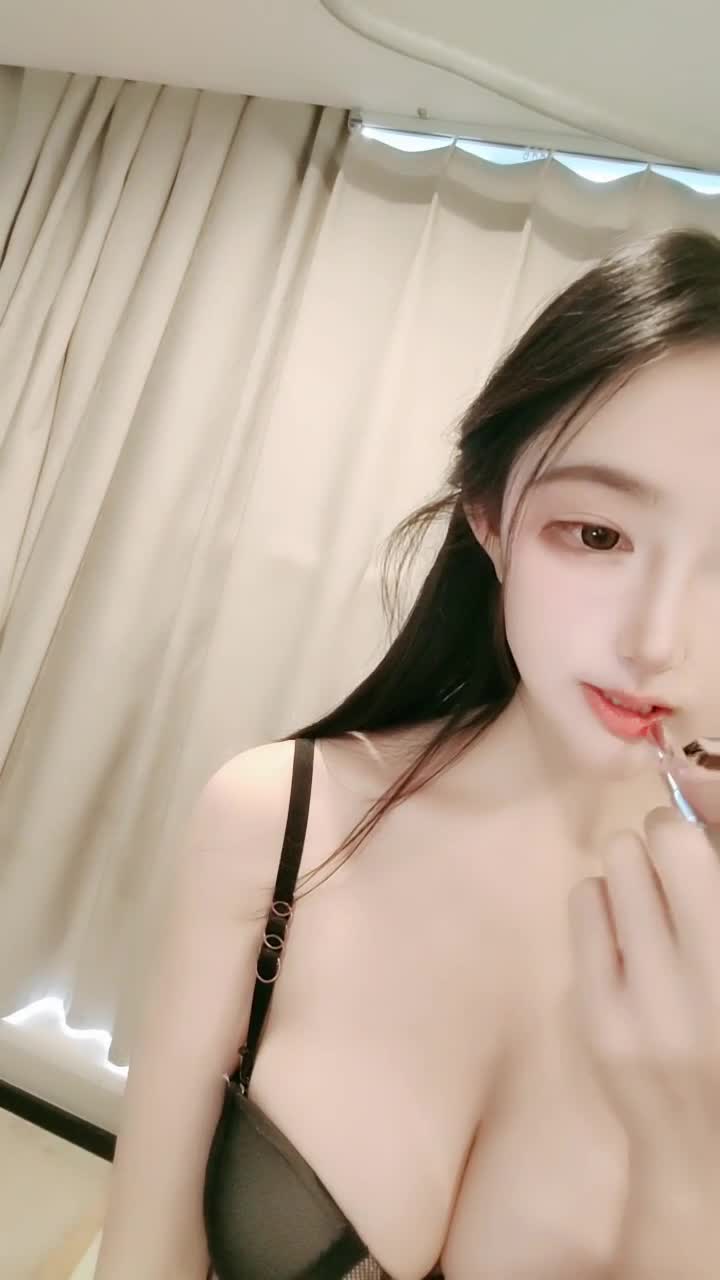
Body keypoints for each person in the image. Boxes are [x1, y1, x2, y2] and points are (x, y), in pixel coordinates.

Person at [94, 227, 720, 1280]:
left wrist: (692, 1170)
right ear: (490, 515)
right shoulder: (280, 822)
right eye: (599, 535)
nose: (658, 640)